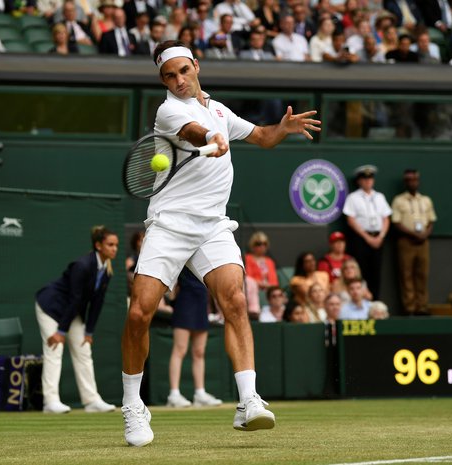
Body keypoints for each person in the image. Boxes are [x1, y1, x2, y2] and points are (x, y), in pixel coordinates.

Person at [120, 40, 321, 447]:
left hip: (213, 226)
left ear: (197, 66)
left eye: (183, 71)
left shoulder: (219, 109)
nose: (178, 81)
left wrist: (281, 129)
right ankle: (133, 406)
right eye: (169, 76)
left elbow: (262, 137)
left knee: (234, 300)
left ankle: (248, 402)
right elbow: (194, 132)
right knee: (140, 313)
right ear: (163, 80)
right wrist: (210, 134)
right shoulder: (168, 110)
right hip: (171, 224)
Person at [35, 226, 118, 414]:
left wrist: (89, 332)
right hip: (50, 307)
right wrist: (60, 332)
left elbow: (97, 302)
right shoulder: (82, 265)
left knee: (84, 350)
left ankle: (91, 401)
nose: (114, 249)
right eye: (110, 244)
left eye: (116, 245)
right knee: (54, 349)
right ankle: (50, 401)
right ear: (98, 245)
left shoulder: (106, 270)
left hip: (71, 312)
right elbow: (75, 299)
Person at [167, 267, 223, 408]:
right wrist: (172, 300)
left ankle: (200, 393)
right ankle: (173, 394)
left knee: (199, 352)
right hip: (184, 301)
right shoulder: (181, 255)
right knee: (180, 349)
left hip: (201, 303)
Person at [391, 169, 437, 316]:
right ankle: (409, 308)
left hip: (423, 242)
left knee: (422, 274)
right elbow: (396, 222)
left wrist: (425, 234)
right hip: (406, 241)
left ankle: (422, 307)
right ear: (405, 182)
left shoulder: (426, 200)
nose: (413, 182)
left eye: (415, 179)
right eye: (409, 180)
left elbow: (431, 220)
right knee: (406, 275)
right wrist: (413, 234)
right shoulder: (399, 200)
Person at [343, 164, 391, 300]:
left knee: (376, 273)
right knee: (362, 271)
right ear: (359, 181)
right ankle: (362, 301)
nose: (368, 181)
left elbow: (386, 218)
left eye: (370, 178)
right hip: (361, 239)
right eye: (364, 178)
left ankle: (375, 302)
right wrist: (367, 237)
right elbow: (351, 219)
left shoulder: (380, 197)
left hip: (378, 238)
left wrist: (381, 236)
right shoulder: (353, 197)